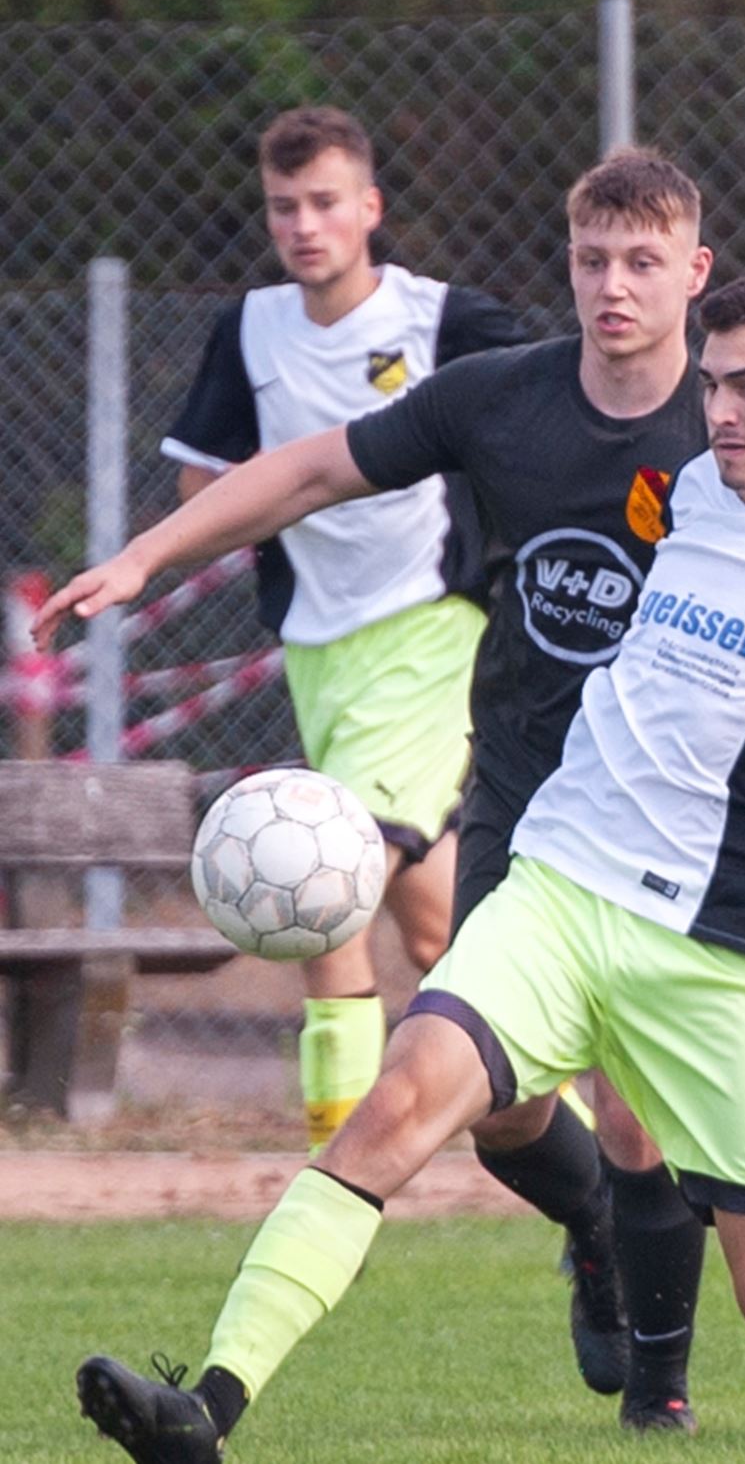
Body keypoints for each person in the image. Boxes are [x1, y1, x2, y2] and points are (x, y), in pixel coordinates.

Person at [44, 267, 745, 1464]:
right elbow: (326, 467)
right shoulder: (696, 489)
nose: (720, 412)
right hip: (560, 886)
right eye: (711, 385)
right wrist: (148, 558)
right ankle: (208, 1405)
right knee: (398, 1102)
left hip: (718, 957)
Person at [82, 146, 719, 1429]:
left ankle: (660, 1388)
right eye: (592, 258)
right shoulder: (503, 397)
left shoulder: (737, 416)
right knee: (498, 1111)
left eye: (643, 261)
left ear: (695, 273)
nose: (613, 284)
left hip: (677, 828)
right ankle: (586, 1225)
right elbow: (314, 467)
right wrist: (147, 554)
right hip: (526, 810)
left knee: (649, 1124)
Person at [160, 105, 526, 1159]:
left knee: (320, 881)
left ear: (369, 208)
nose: (305, 225)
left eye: (325, 202)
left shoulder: (439, 319)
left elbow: (557, 394)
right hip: (319, 648)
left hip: (428, 632)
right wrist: (286, 491)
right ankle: (570, 1137)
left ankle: (339, 1158)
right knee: (435, 927)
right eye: (285, 207)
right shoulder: (253, 328)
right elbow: (200, 475)